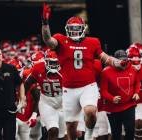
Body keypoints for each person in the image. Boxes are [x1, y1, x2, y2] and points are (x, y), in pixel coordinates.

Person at [41, 3, 128, 140]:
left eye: (77, 29)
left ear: (84, 29)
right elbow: (48, 40)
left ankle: (88, 134)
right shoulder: (61, 40)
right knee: (71, 128)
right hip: (68, 89)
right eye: (72, 29)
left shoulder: (93, 42)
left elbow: (105, 58)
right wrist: (45, 23)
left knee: (90, 111)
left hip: (88, 86)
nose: (74, 32)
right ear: (67, 30)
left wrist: (118, 62)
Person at [25, 50, 66, 140]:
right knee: (53, 130)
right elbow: (27, 83)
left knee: (64, 136)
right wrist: (22, 97)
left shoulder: (66, 68)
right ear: (45, 61)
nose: (53, 65)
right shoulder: (38, 68)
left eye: (55, 62)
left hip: (64, 103)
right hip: (47, 102)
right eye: (51, 62)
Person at [100, 50, 140, 140]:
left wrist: (136, 93)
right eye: (120, 60)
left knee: (130, 131)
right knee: (116, 134)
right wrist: (112, 98)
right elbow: (103, 91)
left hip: (129, 105)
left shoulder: (133, 69)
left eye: (125, 60)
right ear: (114, 60)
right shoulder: (106, 72)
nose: (123, 63)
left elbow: (137, 83)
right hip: (113, 108)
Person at [126, 43, 142, 140]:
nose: (136, 63)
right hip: (130, 102)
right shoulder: (123, 69)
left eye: (138, 60)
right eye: (133, 61)